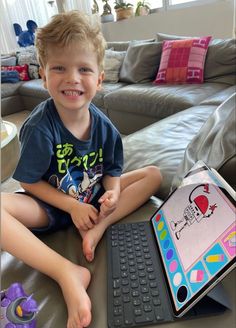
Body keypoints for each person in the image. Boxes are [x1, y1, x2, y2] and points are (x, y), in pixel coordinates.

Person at [1, 11, 162, 328]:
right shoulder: (39, 126)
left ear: (99, 80)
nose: (72, 78)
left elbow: (113, 173)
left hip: (93, 201)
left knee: (153, 175)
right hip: (50, 205)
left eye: (83, 69)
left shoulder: (105, 129)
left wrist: (112, 196)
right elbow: (28, 181)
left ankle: (98, 228)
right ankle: (67, 272)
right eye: (59, 68)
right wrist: (71, 206)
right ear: (44, 76)